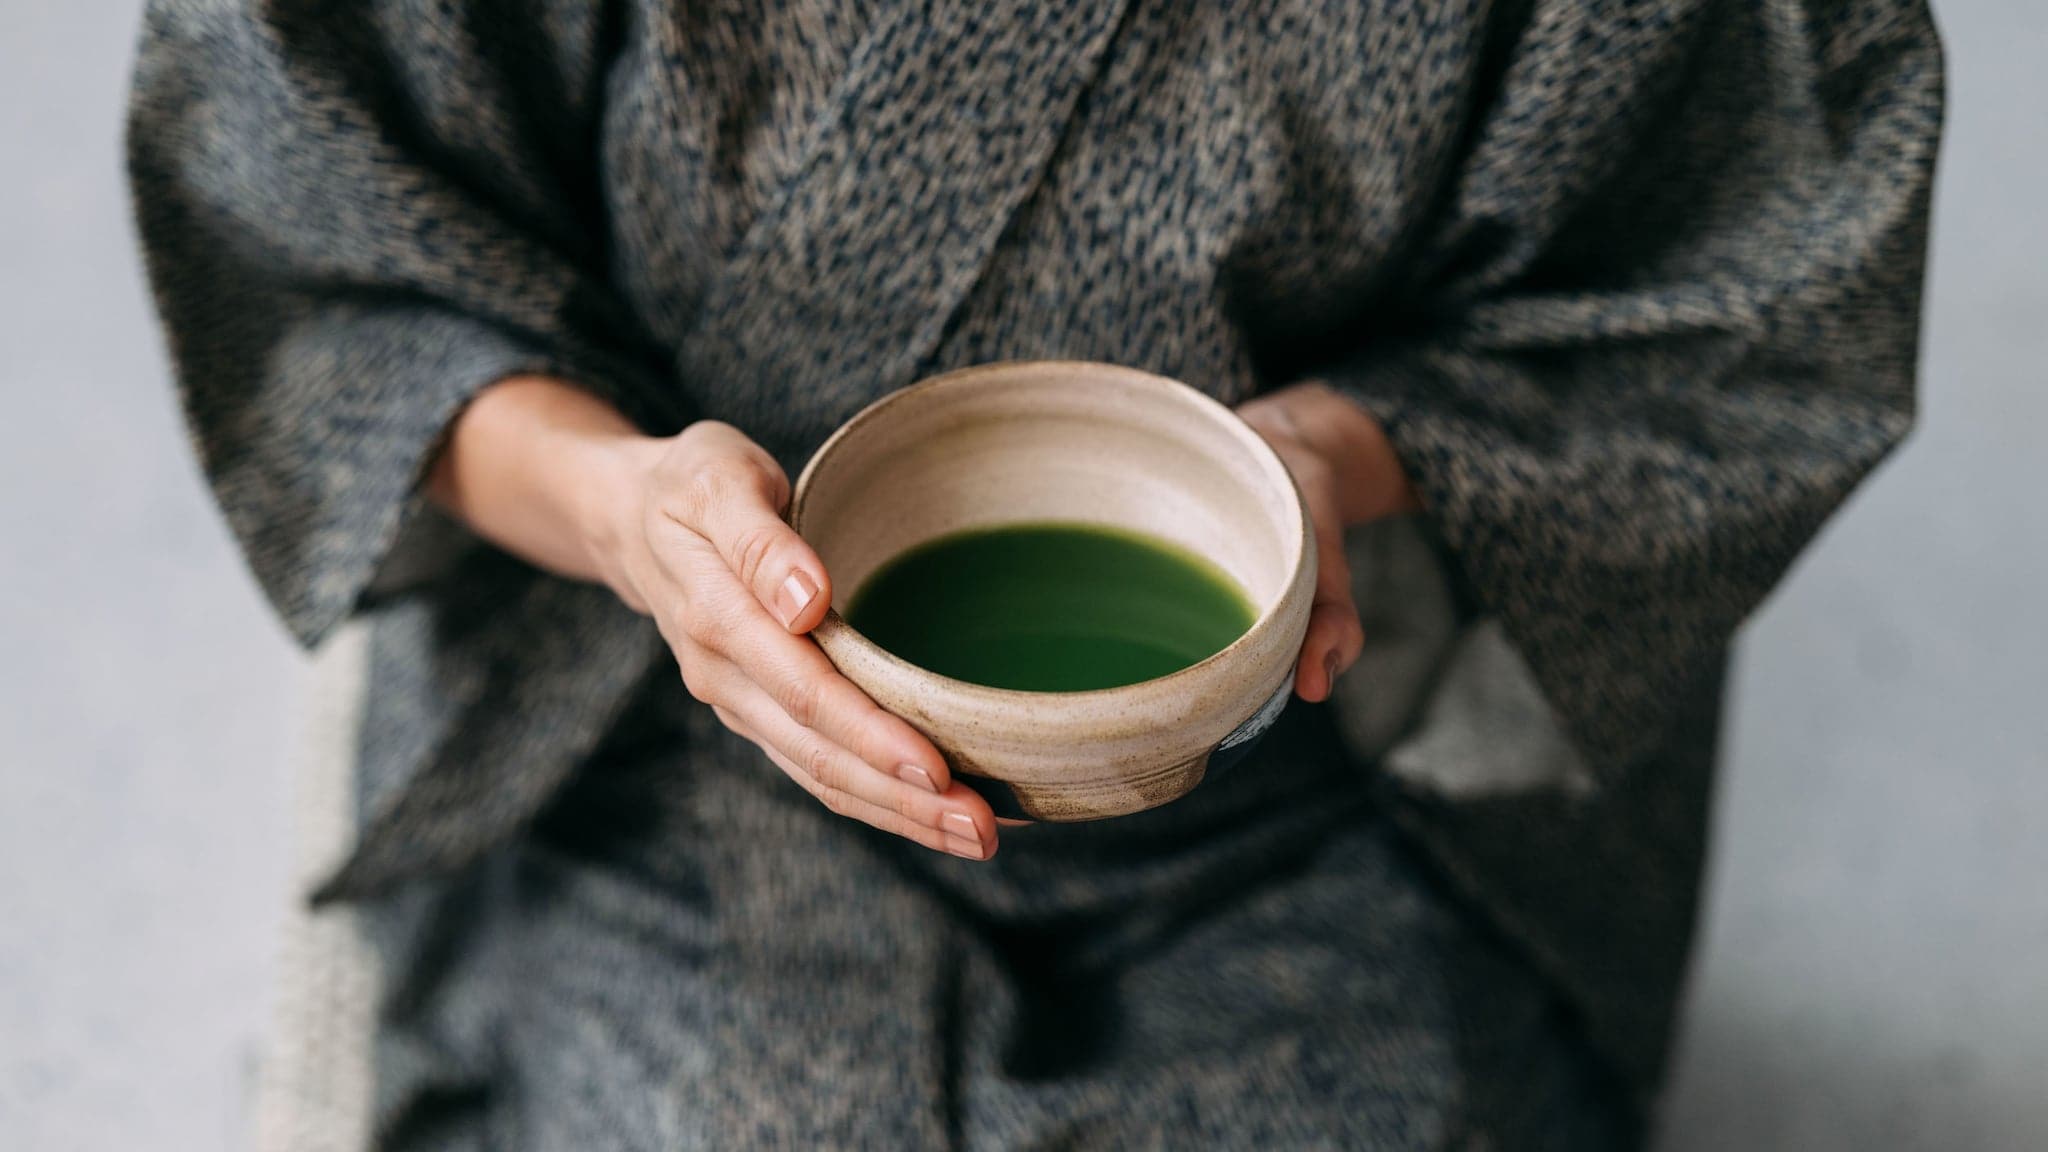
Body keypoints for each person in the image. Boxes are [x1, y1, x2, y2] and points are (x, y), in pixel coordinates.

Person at [127, 1, 1943, 1147]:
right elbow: (323, 237)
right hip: (675, 720)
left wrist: (1331, 460)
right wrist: (633, 518)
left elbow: (1743, 304)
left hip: (1312, 763)